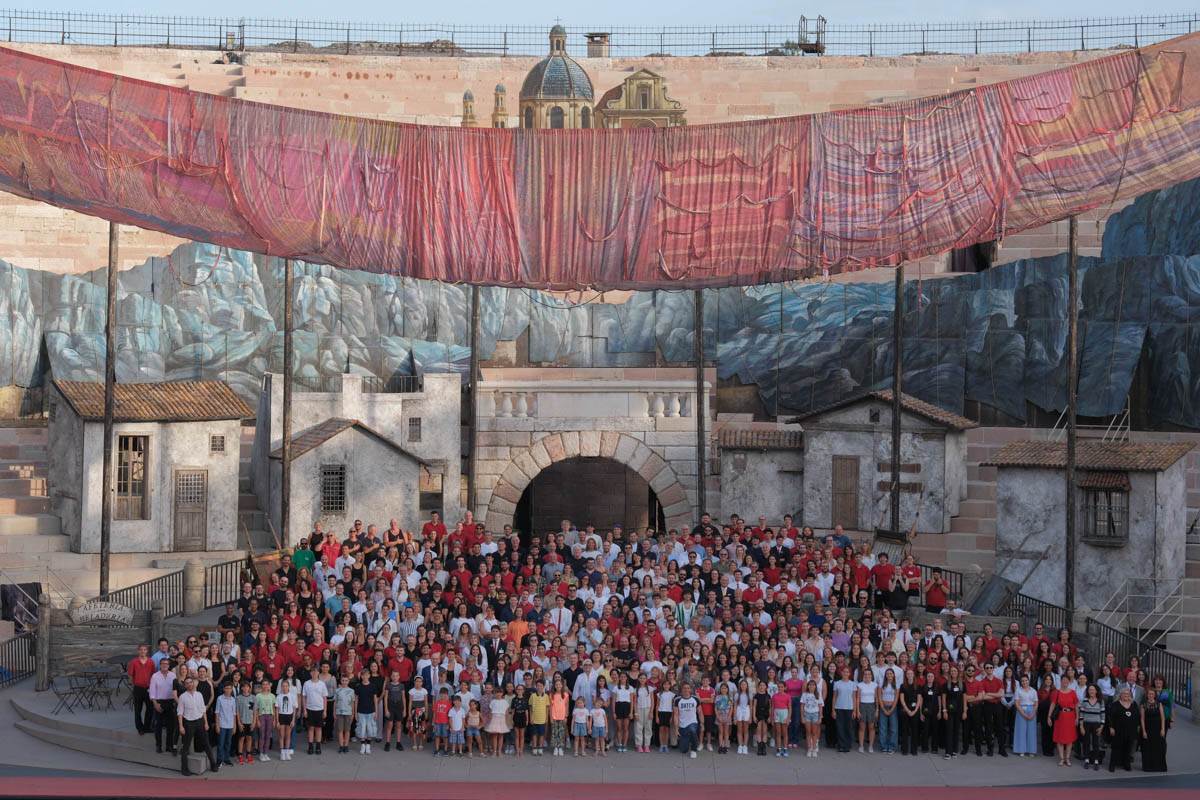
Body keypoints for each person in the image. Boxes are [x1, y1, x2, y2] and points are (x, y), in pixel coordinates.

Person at [177, 677, 219, 775]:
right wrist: (181, 726)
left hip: (200, 721)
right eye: (187, 683)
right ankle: (184, 769)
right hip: (188, 723)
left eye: (191, 682)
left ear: (193, 683)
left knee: (207, 744)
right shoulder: (182, 697)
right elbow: (180, 713)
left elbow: (203, 709)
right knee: (186, 747)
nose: (189, 684)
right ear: (185, 685)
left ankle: (213, 764)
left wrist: (206, 723)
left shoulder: (199, 695)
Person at [149, 657, 178, 755]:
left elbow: (175, 689)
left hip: (170, 702)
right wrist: (155, 704)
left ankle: (169, 746)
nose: (165, 665)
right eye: (162, 663)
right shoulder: (155, 676)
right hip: (159, 702)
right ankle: (158, 745)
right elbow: (152, 691)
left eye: (166, 663)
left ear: (169, 665)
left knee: (171, 726)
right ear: (160, 665)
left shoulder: (173, 675)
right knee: (158, 726)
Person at [1048, 674, 1078, 767]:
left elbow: (1076, 706)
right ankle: (1061, 758)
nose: (1065, 682)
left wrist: (1077, 717)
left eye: (1066, 680)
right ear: (1060, 681)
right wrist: (1049, 716)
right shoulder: (1056, 692)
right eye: (1063, 680)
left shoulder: (1073, 692)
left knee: (1069, 739)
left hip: (1070, 717)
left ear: (1069, 682)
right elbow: (1053, 704)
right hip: (1060, 717)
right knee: (1059, 739)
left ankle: (1067, 758)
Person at [1107, 687, 1139, 772]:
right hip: (1118, 730)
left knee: (1128, 748)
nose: (1126, 695)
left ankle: (1126, 764)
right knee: (1116, 748)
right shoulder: (1115, 704)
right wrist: (1111, 727)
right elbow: (1110, 717)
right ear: (1120, 695)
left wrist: (1137, 727)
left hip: (1130, 730)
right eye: (1124, 694)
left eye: (1128, 694)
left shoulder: (1134, 704)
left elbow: (1137, 717)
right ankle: (1112, 765)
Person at [127, 644, 156, 735]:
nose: (143, 651)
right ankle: (140, 728)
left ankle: (147, 727)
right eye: (141, 650)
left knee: (150, 708)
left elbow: (153, 674)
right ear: (138, 651)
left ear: (147, 651)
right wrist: (134, 685)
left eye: (144, 650)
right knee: (138, 709)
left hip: (148, 688)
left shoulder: (151, 662)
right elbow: (130, 675)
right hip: (138, 688)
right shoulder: (134, 662)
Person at [301, 671, 329, 755]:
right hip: (310, 709)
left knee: (318, 728)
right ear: (310, 673)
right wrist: (305, 710)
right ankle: (310, 746)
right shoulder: (306, 683)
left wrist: (325, 710)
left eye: (316, 672)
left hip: (319, 709)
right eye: (312, 672)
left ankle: (318, 746)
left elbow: (325, 698)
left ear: (318, 673)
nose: (314, 673)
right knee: (310, 728)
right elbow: (304, 697)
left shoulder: (322, 684)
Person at [1012, 674, 1039, 758]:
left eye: (1026, 680)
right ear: (1021, 682)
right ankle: (1021, 750)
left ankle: (1031, 750)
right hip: (1021, 710)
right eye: (1022, 681)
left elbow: (1036, 703)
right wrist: (1023, 714)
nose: (1024, 682)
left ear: (1028, 680)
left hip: (1032, 710)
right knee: (1021, 731)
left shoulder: (1033, 691)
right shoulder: (1018, 690)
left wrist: (1033, 713)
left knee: (1031, 732)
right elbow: (1016, 703)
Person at [1141, 689, 1167, 772]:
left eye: (1152, 694)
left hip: (1158, 729)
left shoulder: (1159, 704)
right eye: (1149, 694)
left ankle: (1159, 767)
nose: (1151, 695)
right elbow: (1142, 719)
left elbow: (1163, 718)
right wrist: (1144, 731)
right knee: (1148, 748)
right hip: (1148, 729)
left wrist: (1162, 729)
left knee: (1158, 748)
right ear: (1147, 695)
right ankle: (1148, 767)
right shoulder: (1143, 705)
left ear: (1155, 695)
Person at [353, 668, 378, 755]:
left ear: (369, 676)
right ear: (361, 676)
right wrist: (355, 712)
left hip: (371, 711)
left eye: (367, 675)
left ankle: (368, 745)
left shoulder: (373, 686)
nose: (365, 677)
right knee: (362, 729)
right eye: (363, 675)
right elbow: (356, 700)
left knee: (370, 729)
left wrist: (376, 711)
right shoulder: (358, 686)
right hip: (361, 711)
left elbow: (375, 699)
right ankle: (363, 745)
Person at [675, 682, 701, 759]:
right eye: (684, 688)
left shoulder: (695, 699)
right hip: (682, 725)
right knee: (683, 750)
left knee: (692, 730)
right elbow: (676, 715)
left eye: (688, 688)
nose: (686, 689)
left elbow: (700, 712)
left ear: (690, 689)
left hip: (693, 722)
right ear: (681, 690)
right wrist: (676, 729)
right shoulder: (677, 700)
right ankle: (690, 741)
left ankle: (693, 750)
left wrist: (702, 724)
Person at [214, 682, 237, 767]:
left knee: (228, 743)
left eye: (230, 688)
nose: (228, 690)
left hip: (230, 725)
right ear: (223, 689)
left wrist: (234, 726)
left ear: (232, 690)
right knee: (221, 743)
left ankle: (226, 759)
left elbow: (234, 713)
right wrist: (217, 725)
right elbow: (217, 712)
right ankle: (219, 760)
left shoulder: (233, 700)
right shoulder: (219, 698)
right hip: (222, 725)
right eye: (226, 688)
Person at [253, 679, 276, 762]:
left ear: (269, 686)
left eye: (267, 684)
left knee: (268, 735)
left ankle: (266, 753)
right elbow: (256, 709)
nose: (265, 686)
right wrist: (257, 720)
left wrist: (274, 720)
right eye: (264, 684)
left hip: (270, 716)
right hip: (261, 716)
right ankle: (261, 753)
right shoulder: (258, 696)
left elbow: (273, 708)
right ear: (261, 686)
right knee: (262, 735)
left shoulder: (272, 696)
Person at [333, 675, 355, 754]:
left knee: (347, 730)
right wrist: (334, 712)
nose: (344, 682)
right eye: (343, 680)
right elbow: (335, 702)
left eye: (346, 680)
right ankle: (341, 746)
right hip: (339, 712)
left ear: (348, 681)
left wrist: (353, 713)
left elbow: (352, 702)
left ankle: (346, 745)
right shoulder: (337, 691)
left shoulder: (351, 691)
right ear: (341, 681)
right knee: (340, 730)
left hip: (348, 713)